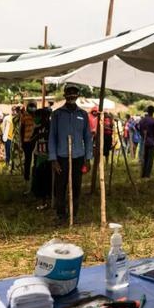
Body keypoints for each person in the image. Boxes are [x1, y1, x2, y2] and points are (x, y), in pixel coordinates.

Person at [49, 85, 93, 222]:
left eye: (74, 94)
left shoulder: (83, 115)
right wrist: (53, 159)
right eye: (69, 94)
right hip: (61, 157)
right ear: (65, 95)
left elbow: (87, 137)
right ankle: (61, 214)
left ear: (78, 95)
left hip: (78, 156)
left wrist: (88, 158)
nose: (72, 96)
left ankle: (74, 213)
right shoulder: (57, 114)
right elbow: (52, 137)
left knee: (76, 186)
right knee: (60, 186)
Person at [31, 108, 52, 210]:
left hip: (50, 157)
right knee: (40, 179)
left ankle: (49, 200)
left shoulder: (51, 127)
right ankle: (42, 200)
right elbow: (31, 139)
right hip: (39, 156)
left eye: (39, 116)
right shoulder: (37, 128)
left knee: (48, 179)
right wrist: (37, 135)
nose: (36, 118)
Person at [139, 106, 154, 178]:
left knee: (144, 158)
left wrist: (142, 136)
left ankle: (143, 174)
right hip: (152, 142)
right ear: (153, 112)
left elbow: (138, 127)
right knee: (150, 160)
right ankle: (147, 175)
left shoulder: (142, 120)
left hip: (144, 141)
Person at [21, 102, 37, 185]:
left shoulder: (37, 115)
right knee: (28, 159)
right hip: (26, 141)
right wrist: (22, 141)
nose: (32, 108)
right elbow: (22, 129)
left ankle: (35, 175)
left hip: (36, 141)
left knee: (36, 159)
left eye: (33, 106)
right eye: (31, 106)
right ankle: (26, 176)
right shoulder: (24, 115)